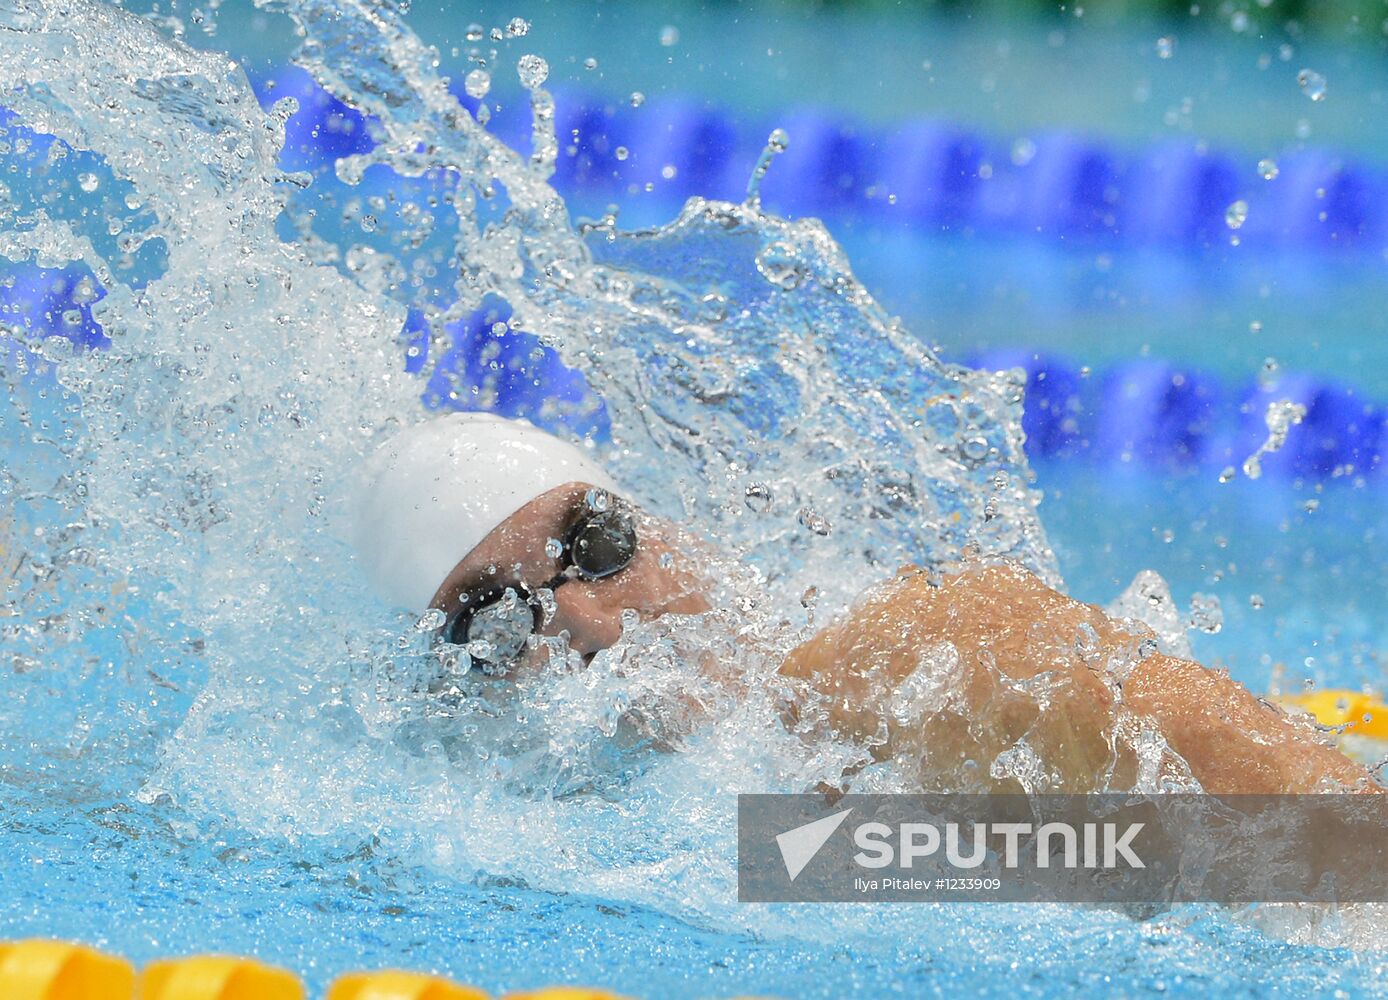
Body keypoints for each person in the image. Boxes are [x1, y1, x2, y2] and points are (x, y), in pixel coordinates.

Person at [351, 412, 1377, 796]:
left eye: (595, 541)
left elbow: (1345, 858)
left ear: (657, 523)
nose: (586, 621)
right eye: (496, 619)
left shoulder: (911, 655)